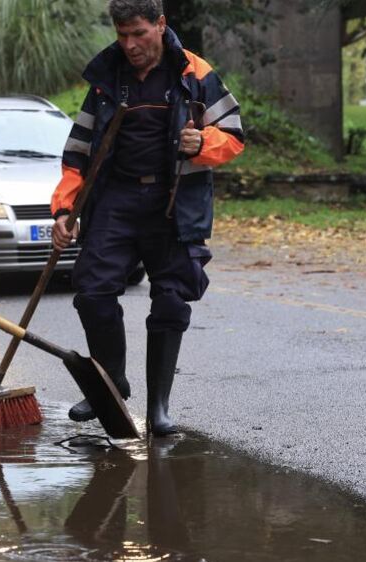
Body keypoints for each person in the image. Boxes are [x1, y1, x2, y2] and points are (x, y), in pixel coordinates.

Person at [51, 0, 243, 436]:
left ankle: (159, 406)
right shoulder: (106, 78)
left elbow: (233, 135)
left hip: (174, 201)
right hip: (115, 198)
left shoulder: (194, 73)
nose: (130, 44)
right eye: (122, 35)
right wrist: (64, 210)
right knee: (92, 291)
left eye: (138, 33)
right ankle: (109, 383)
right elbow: (78, 153)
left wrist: (201, 143)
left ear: (160, 25)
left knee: (172, 299)